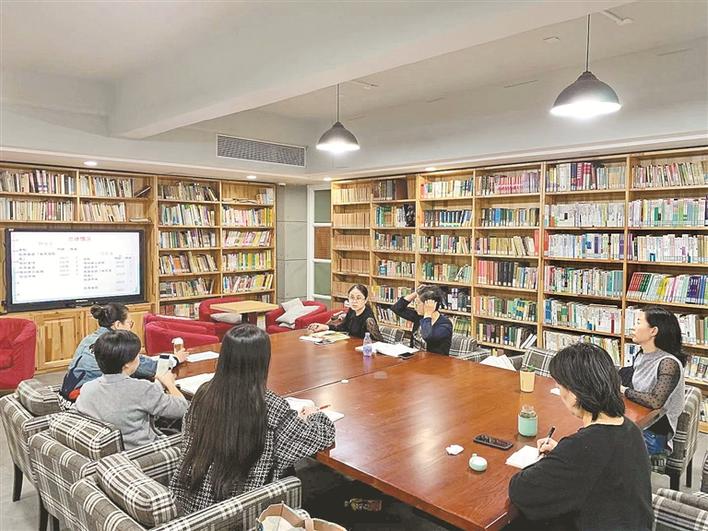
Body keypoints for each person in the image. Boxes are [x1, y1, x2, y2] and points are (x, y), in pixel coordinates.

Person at [170, 324, 336, 515]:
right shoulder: (269, 407)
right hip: (237, 515)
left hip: (187, 506)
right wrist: (313, 414)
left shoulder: (204, 393)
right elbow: (324, 435)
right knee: (326, 478)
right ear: (263, 362)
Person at [508, 343, 653, 531]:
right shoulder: (630, 428)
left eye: (560, 386)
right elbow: (600, 468)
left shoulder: (583, 447)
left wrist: (557, 459)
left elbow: (521, 490)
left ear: (574, 394)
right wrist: (562, 455)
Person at [75, 329, 188, 450]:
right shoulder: (142, 389)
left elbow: (138, 398)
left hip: (108, 451)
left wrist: (159, 384)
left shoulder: (87, 388)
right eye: (137, 355)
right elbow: (183, 409)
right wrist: (170, 384)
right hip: (143, 452)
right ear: (127, 364)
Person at [61, 303, 187, 399]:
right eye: (129, 323)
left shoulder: (89, 339)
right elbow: (150, 367)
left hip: (70, 390)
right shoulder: (116, 344)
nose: (130, 328)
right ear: (117, 325)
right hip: (89, 397)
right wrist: (176, 359)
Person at [619, 306, 686, 455]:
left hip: (654, 433)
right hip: (638, 420)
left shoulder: (668, 363)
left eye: (638, 322)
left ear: (653, 331)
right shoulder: (642, 355)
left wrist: (623, 390)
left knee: (605, 445)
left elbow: (655, 401)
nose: (633, 327)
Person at [307, 284, 383, 341]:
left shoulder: (369, 319)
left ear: (365, 300)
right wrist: (325, 327)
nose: (354, 301)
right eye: (352, 297)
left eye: (358, 298)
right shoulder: (352, 310)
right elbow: (343, 327)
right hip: (352, 347)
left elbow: (377, 341)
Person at [391, 285, 452, 355]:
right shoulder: (419, 316)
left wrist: (428, 313)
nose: (415, 307)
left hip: (433, 360)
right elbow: (397, 308)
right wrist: (417, 293)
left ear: (429, 305)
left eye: (418, 303)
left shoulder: (445, 324)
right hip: (414, 357)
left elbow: (427, 336)